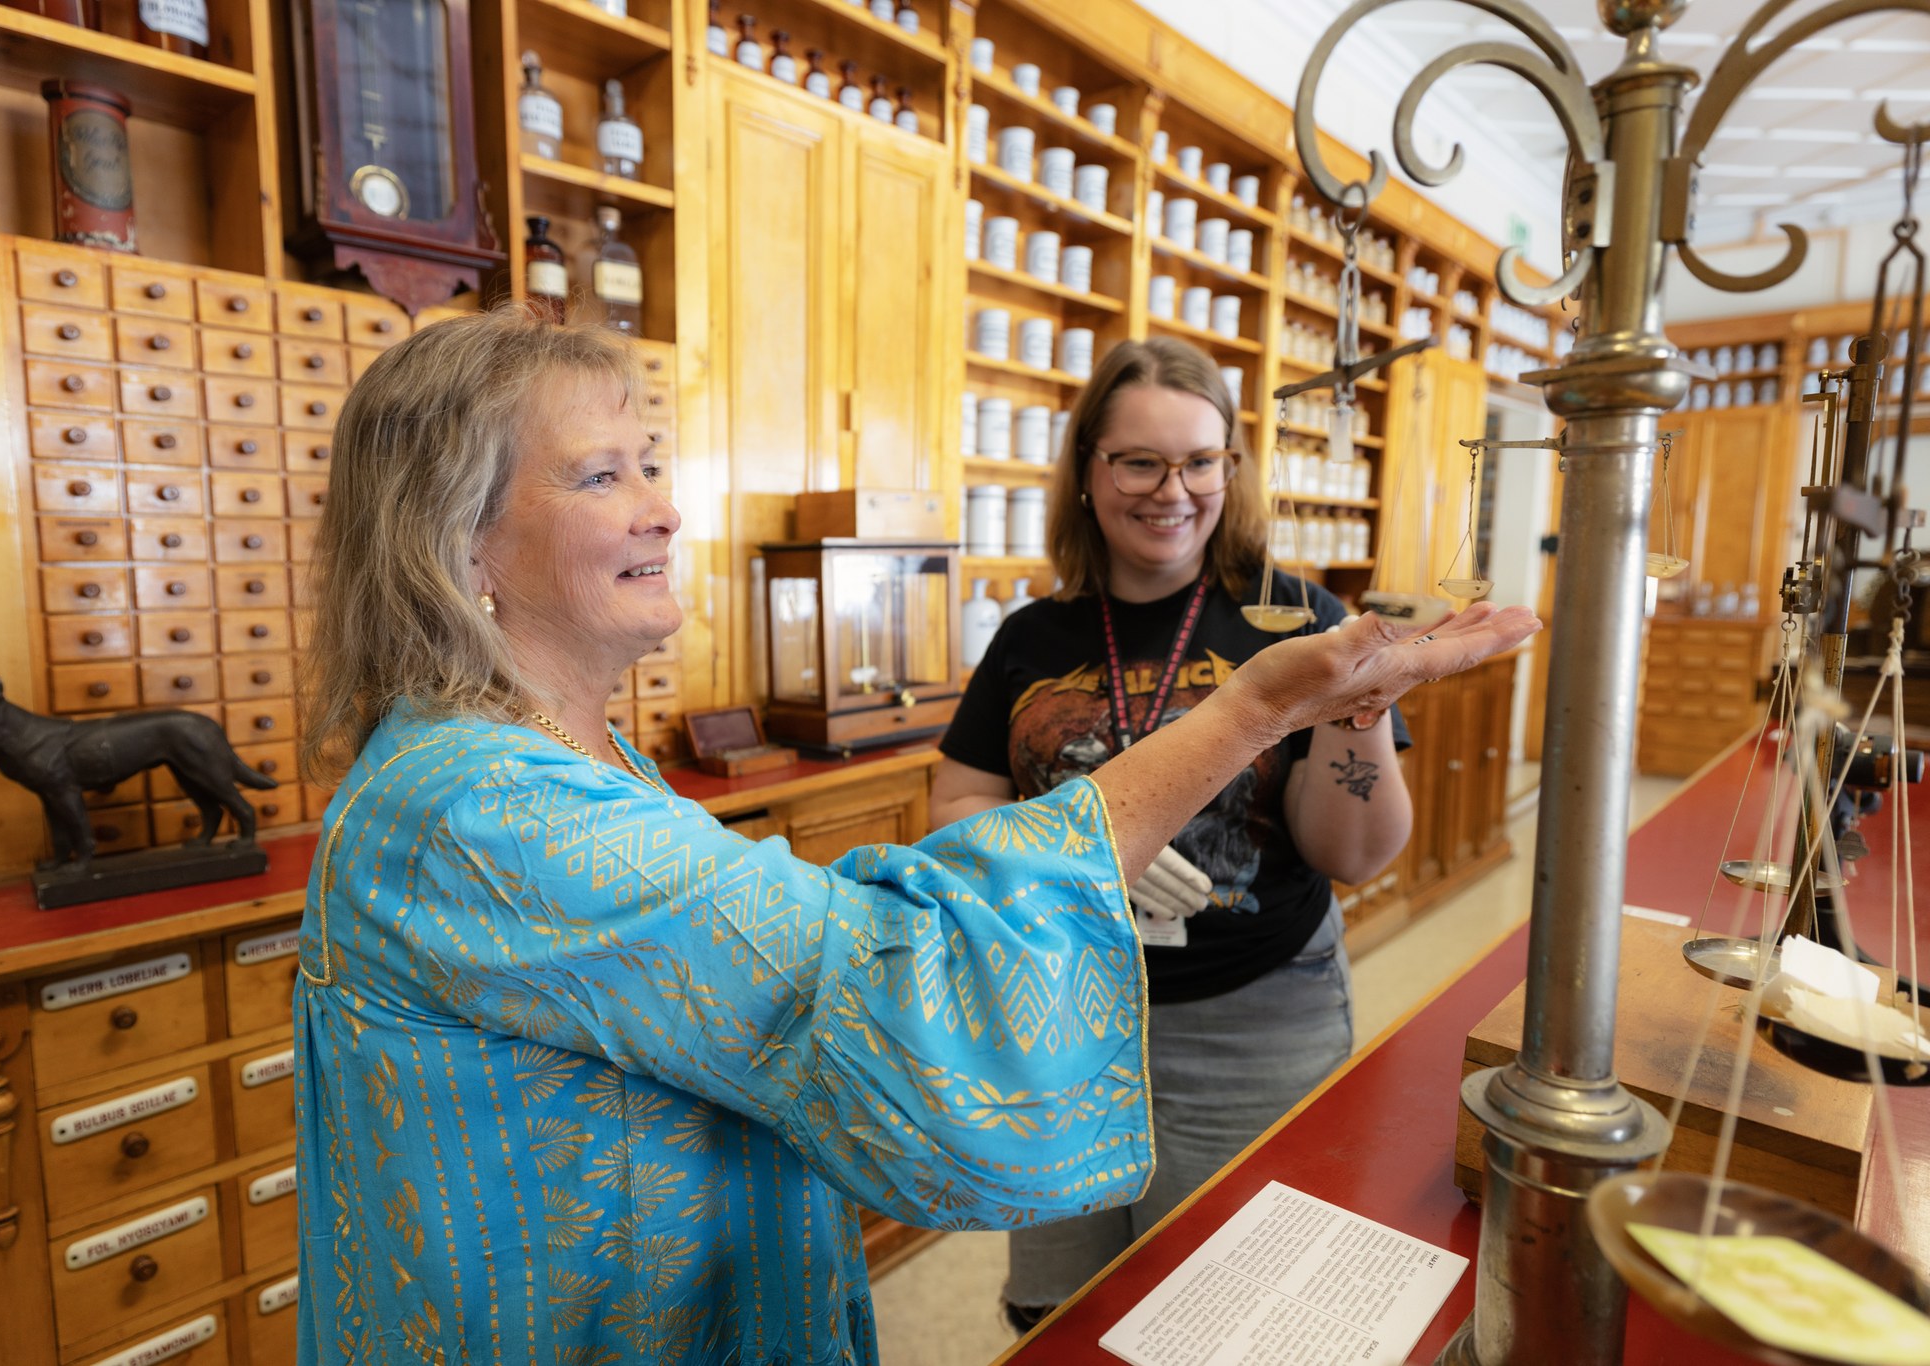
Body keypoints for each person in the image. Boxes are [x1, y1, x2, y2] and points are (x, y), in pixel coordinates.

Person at [291, 306, 1534, 1365]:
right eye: (600, 474)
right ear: (458, 545)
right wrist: (1254, 707)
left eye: (650, 462)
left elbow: (780, 958)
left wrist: (1319, 709)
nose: (665, 510)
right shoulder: (476, 808)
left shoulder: (569, 753)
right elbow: (890, 972)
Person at [930, 337, 1425, 1332]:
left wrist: (1357, 708)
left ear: (1228, 472)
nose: (1172, 489)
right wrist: (1074, 843)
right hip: (1058, 1021)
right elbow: (955, 808)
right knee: (1058, 1305)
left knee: (1226, 1311)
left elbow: (1354, 854)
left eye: (1199, 461)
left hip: (1246, 1023)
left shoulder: (1297, 621)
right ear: (1087, 470)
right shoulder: (1032, 634)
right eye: (1138, 461)